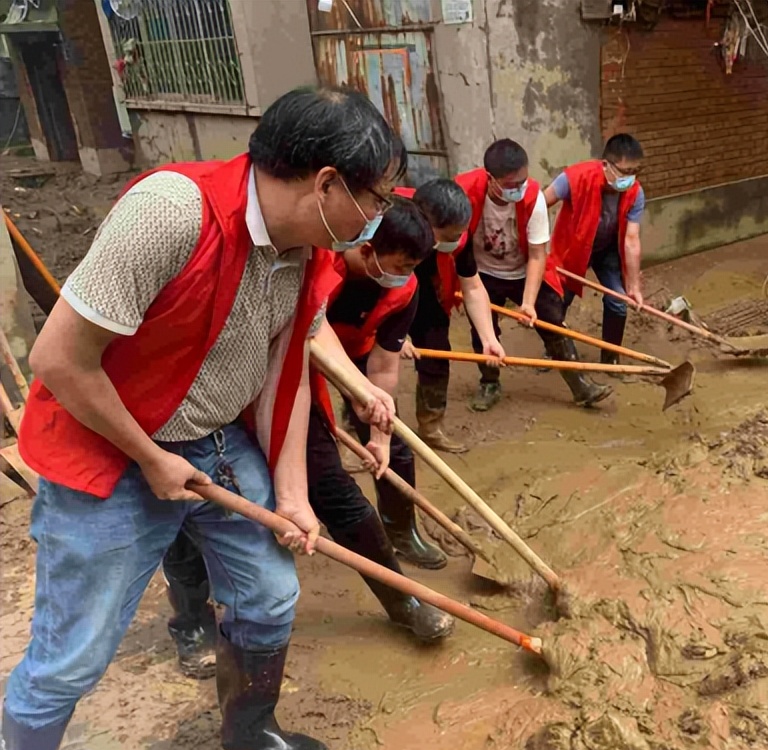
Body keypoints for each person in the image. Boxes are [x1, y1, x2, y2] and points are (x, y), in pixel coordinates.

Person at [1, 86, 402, 750]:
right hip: (111, 450)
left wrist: (292, 494)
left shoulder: (305, 254)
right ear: (326, 184)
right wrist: (149, 457)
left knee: (270, 595)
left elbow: (288, 373)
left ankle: (248, 728)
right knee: (74, 656)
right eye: (373, 199)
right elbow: (60, 358)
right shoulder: (171, 213)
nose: (374, 219)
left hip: (216, 441)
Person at [161, 197, 457, 682]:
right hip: (199, 393)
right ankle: (192, 624)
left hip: (290, 383)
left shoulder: (375, 283)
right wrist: (358, 390)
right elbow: (307, 332)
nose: (402, 276)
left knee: (334, 490)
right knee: (186, 505)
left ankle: (401, 598)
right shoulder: (286, 256)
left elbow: (340, 348)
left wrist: (374, 420)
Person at [457, 139, 612, 412]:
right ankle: (489, 382)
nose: (519, 189)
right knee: (482, 329)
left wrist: (528, 303)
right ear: (490, 178)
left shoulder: (533, 197)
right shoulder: (465, 193)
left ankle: (579, 384)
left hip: (522, 269)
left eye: (523, 181)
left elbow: (538, 256)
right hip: (482, 272)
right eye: (510, 184)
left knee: (552, 319)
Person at [399, 178, 506, 454]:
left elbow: (472, 287)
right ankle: (364, 433)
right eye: (447, 237)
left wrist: (488, 338)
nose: (455, 242)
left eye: (458, 235)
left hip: (426, 288)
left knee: (437, 351)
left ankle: (431, 426)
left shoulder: (458, 235)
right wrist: (388, 334)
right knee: (370, 360)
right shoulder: (389, 223)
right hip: (380, 286)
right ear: (422, 224)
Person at [545, 134, 646, 362]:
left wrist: (634, 286)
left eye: (634, 172)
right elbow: (541, 204)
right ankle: (554, 351)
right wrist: (535, 248)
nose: (629, 179)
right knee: (558, 301)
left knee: (618, 300)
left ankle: (610, 358)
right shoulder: (574, 178)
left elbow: (631, 239)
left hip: (607, 250)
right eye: (624, 172)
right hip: (573, 249)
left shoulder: (635, 193)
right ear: (606, 165)